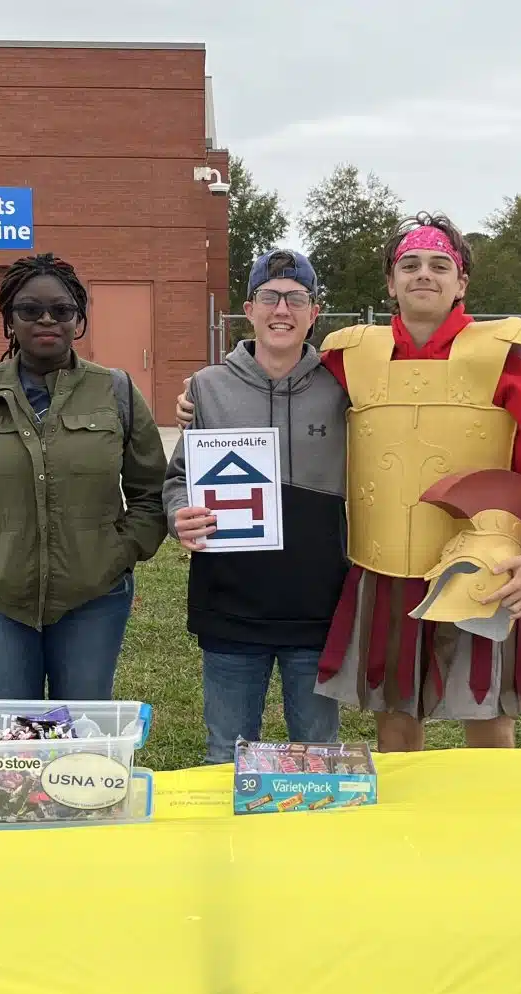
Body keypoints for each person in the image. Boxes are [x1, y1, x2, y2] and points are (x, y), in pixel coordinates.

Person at [179, 215, 521, 752]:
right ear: (390, 282)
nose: (423, 274)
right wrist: (206, 397)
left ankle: (492, 809)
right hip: (384, 574)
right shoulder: (351, 359)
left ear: (461, 282)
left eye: (439, 265)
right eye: (410, 264)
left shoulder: (503, 363)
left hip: (483, 567)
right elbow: (281, 376)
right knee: (396, 720)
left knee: (489, 721)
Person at [0, 253, 167, 701]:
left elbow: (151, 492)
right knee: (11, 730)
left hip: (95, 594)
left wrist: (120, 552)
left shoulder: (117, 391)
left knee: (83, 725)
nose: (47, 319)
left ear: (79, 319)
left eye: (62, 309)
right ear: (9, 320)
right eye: (30, 309)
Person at [165, 250, 349, 763]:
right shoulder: (207, 388)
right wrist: (179, 514)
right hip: (230, 602)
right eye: (269, 297)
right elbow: (178, 479)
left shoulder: (344, 389)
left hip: (318, 603)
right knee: (226, 754)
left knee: (317, 757)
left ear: (314, 313)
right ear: (248, 310)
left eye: (296, 299)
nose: (281, 310)